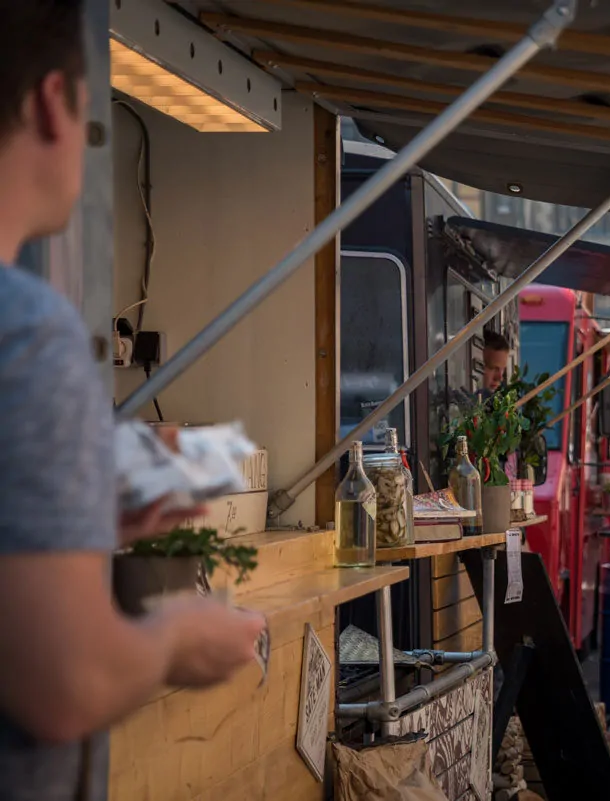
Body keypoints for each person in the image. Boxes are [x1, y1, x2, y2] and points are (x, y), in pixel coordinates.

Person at [0, 5, 267, 799]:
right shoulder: (28, 330)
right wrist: (178, 640)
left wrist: (82, 504)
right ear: (54, 103)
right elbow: (67, 682)